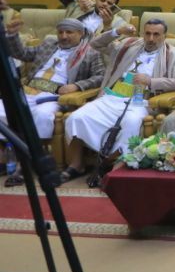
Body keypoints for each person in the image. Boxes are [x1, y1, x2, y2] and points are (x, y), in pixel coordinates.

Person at [57, 20, 175, 186]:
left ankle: (115, 166)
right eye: (147, 33)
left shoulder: (173, 53)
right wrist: (117, 31)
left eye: (156, 34)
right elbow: (95, 44)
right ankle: (77, 165)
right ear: (142, 33)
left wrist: (151, 81)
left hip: (141, 101)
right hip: (111, 97)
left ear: (164, 36)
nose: (151, 38)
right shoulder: (129, 45)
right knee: (76, 117)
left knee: (131, 123)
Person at [1, 17, 104, 178]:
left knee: (43, 115)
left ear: (80, 33)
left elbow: (100, 76)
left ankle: (30, 159)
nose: (63, 36)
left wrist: (77, 86)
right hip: (28, 90)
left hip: (54, 96)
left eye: (69, 32)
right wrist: (13, 36)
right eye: (60, 32)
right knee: (2, 110)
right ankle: (6, 158)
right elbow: (22, 54)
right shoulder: (49, 45)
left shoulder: (90, 53)